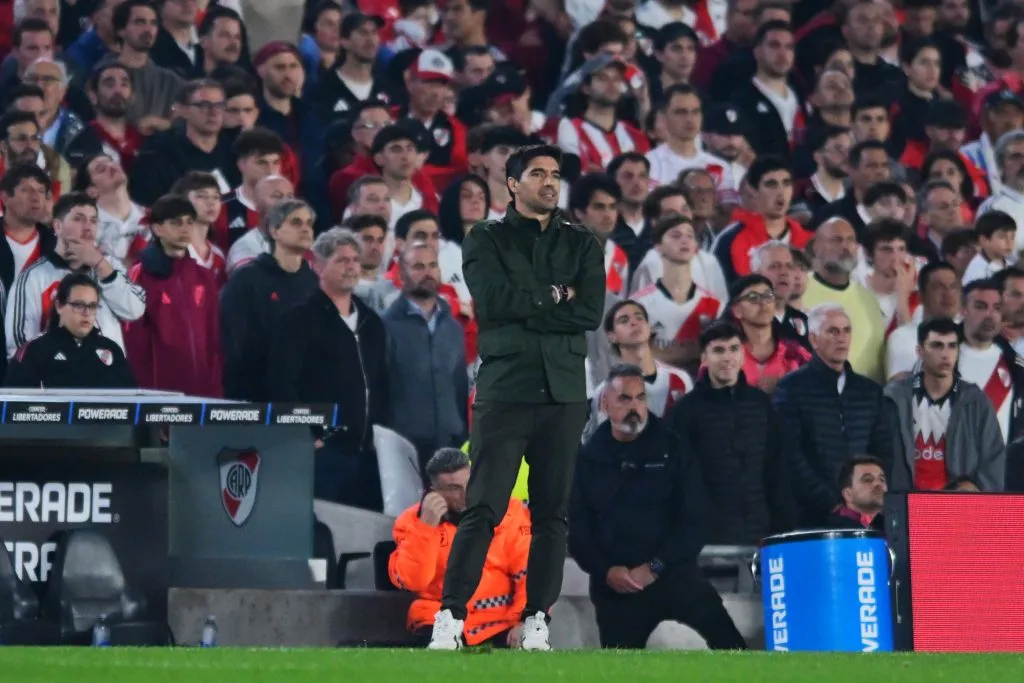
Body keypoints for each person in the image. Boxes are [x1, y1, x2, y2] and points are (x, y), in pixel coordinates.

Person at [429, 145, 604, 651]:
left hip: (565, 393)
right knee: (483, 506)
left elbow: (590, 311)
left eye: (555, 174)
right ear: (511, 183)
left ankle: (536, 621)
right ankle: (451, 618)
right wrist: (555, 294)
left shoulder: (583, 243)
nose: (550, 182)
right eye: (537, 174)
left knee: (552, 513)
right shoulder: (485, 236)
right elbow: (495, 301)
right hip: (506, 390)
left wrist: (532, 298)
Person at [568, 364, 747, 650]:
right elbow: (577, 529)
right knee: (618, 672)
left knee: (733, 647)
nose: (634, 407)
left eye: (640, 398)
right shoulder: (588, 458)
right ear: (604, 403)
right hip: (617, 585)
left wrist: (654, 567)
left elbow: (696, 519)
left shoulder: (674, 447)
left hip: (673, 573)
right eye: (624, 399)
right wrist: (605, 571)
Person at [264, 227, 390, 511]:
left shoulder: (372, 323)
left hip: (369, 454)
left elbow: (382, 383)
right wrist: (309, 434)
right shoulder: (298, 320)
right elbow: (281, 383)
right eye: (341, 260)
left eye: (355, 260)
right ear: (317, 265)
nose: (351, 267)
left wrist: (382, 434)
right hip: (325, 452)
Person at [390, 448, 530, 649]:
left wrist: (524, 621)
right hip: (438, 620)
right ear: (434, 491)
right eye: (454, 488)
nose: (466, 494)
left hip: (501, 622)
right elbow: (414, 581)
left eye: (469, 483)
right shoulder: (411, 522)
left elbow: (531, 574)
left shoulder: (510, 512)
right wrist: (426, 527)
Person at [669, 321, 795, 545]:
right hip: (708, 536)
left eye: (734, 349)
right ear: (704, 358)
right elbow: (678, 477)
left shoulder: (761, 404)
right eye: (718, 350)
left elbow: (778, 468)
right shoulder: (685, 411)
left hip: (761, 531)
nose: (727, 357)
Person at [773, 304, 892, 527]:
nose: (842, 338)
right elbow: (790, 453)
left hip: (865, 516)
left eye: (846, 331)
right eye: (833, 331)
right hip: (810, 515)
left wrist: (867, 496)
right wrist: (833, 502)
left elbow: (883, 449)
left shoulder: (869, 391)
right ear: (814, 339)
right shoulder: (791, 388)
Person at [5, 192, 145, 358]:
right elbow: (20, 344)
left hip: (106, 377)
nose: (88, 227)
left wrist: (99, 264)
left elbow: (135, 310)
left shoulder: (109, 266)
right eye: (78, 219)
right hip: (58, 379)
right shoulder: (33, 277)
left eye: (93, 220)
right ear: (57, 226)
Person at [883, 317, 1005, 492]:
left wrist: (977, 488)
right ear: (920, 351)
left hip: (959, 509)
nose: (945, 354)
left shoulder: (976, 402)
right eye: (937, 345)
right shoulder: (894, 399)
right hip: (905, 503)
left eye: (952, 346)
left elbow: (994, 459)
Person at [382, 242, 469, 476]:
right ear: (401, 274)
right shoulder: (385, 326)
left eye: (432, 265)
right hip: (405, 446)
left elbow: (459, 388)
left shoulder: (453, 328)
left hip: (451, 443)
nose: (428, 272)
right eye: (418, 266)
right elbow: (381, 389)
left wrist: (462, 435)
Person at [123, 194, 223, 397]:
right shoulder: (140, 274)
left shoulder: (203, 276)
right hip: (160, 391)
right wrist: (147, 392)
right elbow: (134, 340)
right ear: (158, 228)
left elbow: (214, 336)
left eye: (189, 222)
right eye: (176, 223)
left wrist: (215, 388)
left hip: (202, 389)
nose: (185, 229)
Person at [219, 198, 317, 401]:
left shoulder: (313, 281)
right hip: (256, 395)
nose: (306, 229)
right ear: (274, 231)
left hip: (303, 394)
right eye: (296, 222)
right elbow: (234, 342)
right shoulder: (248, 279)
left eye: (309, 224)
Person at [582, 300, 693, 440]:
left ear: (649, 328)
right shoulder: (605, 392)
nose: (634, 322)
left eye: (639, 317)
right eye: (624, 320)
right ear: (612, 336)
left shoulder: (680, 380)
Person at [5, 272, 135, 388]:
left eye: (92, 306)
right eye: (79, 305)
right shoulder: (35, 351)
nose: (87, 313)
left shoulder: (112, 350)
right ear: (59, 306)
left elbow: (130, 403)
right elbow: (15, 407)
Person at [632, 215, 724, 373]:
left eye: (690, 236)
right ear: (658, 246)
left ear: (696, 246)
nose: (684, 240)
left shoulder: (714, 304)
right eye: (676, 235)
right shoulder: (639, 304)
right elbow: (634, 354)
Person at [802, 217, 886, 383]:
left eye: (851, 240)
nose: (846, 247)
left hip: (864, 398)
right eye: (836, 240)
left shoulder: (868, 297)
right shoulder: (800, 290)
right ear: (817, 248)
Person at [957, 278, 1024, 446]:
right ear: (963, 310)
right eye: (980, 307)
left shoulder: (1015, 365)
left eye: (997, 308)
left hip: (1000, 467)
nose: (990, 315)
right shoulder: (940, 355)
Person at [726, 274, 811, 391]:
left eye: (768, 296)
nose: (763, 303)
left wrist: (784, 387)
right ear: (737, 310)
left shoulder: (795, 353)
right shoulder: (725, 355)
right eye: (753, 297)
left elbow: (819, 392)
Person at [886, 261, 962, 380]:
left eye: (953, 287)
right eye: (938, 287)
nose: (948, 294)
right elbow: (900, 389)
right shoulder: (902, 337)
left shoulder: (967, 335)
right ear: (921, 296)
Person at [0, 163, 56, 291]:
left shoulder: (55, 246)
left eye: (41, 191)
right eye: (26, 190)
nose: (35, 198)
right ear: (5, 197)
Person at [826, 455, 886, 531]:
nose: (878, 484)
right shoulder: (836, 532)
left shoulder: (893, 525)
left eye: (882, 479)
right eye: (868, 480)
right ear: (848, 494)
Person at [963, 210, 1017, 285]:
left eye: (1012, 237)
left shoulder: (1012, 264)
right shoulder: (976, 273)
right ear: (984, 240)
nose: (1009, 242)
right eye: (1002, 236)